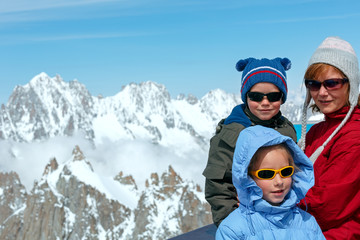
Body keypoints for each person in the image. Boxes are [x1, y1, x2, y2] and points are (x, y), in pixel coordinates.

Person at [202, 57, 297, 227]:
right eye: (256, 96)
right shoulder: (232, 134)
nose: (265, 103)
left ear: (282, 97)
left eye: (274, 96)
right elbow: (218, 186)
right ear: (245, 96)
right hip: (246, 221)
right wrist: (231, 224)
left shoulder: (286, 129)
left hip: (282, 217)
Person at [298, 36, 360, 239]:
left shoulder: (354, 136)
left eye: (332, 83)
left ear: (351, 84)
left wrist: (271, 197)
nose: (322, 93)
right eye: (313, 84)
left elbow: (326, 207)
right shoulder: (316, 132)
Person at [216, 125, 325, 239]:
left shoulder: (308, 224)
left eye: (286, 171)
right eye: (266, 174)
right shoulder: (232, 230)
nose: (279, 181)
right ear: (247, 178)